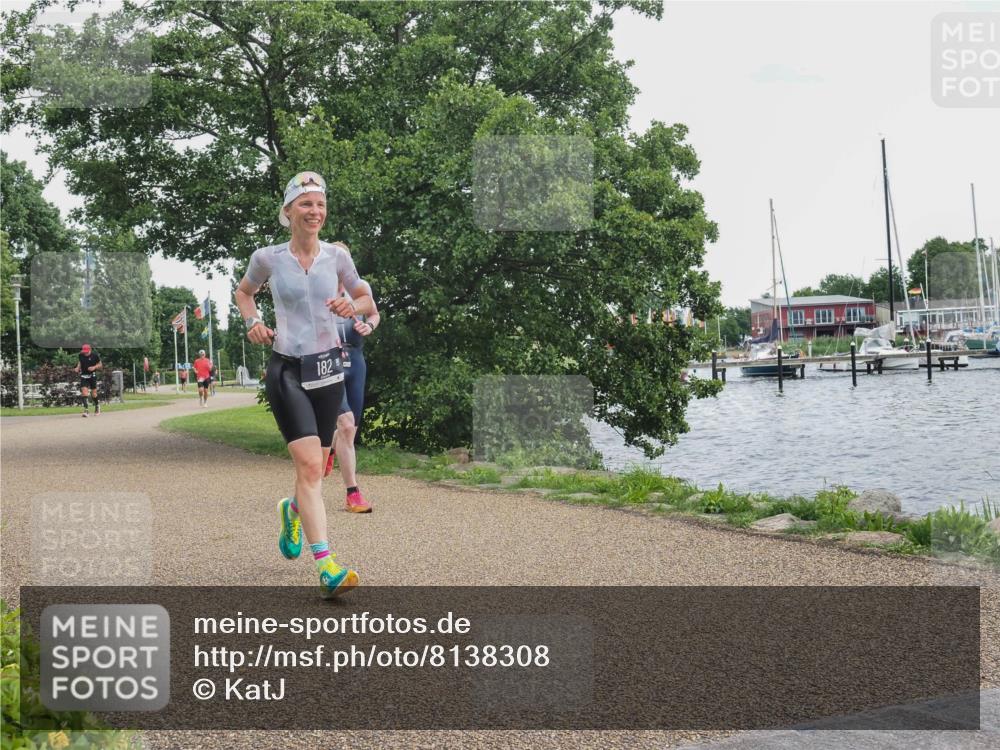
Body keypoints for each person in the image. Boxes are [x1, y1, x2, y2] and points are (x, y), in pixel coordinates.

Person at [235, 171, 376, 599]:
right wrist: (253, 322)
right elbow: (244, 293)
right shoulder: (268, 258)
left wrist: (351, 305)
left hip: (328, 370)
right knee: (311, 468)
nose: (315, 212)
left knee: (317, 466)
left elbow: (367, 299)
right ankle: (327, 565)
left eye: (320, 205)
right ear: (288, 211)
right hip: (289, 370)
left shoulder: (338, 257)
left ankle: (291, 509)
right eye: (306, 204)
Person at [324, 242, 380, 513]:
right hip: (329, 361)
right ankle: (352, 493)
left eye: (343, 258)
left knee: (350, 429)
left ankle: (333, 448)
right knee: (346, 425)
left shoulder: (360, 288)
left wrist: (368, 325)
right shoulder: (317, 289)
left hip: (356, 360)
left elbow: (374, 313)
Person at [73, 344, 102, 417]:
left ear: (90, 350)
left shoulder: (95, 356)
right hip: (84, 376)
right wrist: (77, 368)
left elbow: (100, 365)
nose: (85, 353)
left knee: (94, 394)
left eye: (86, 351)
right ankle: (86, 410)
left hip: (92, 376)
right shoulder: (81, 355)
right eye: (84, 351)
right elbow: (80, 362)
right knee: (84, 392)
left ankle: (97, 406)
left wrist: (94, 367)